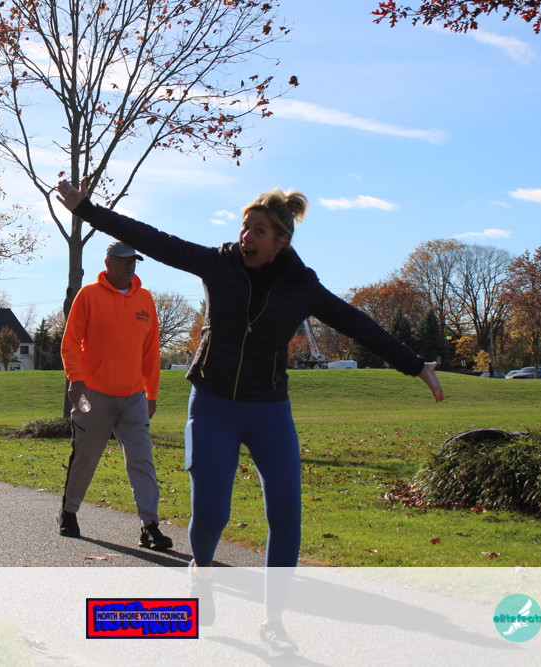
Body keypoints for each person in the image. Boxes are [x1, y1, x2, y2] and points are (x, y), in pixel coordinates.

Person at [57, 178, 443, 654]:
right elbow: (156, 241)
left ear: (281, 240)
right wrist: (87, 208)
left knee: (286, 512)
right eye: (244, 228)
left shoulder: (301, 286)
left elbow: (356, 322)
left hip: (268, 409)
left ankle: (273, 620)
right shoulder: (219, 264)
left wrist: (414, 364)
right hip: (213, 404)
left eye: (259, 231)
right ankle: (201, 574)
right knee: (211, 514)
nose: (247, 238)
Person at [58, 240, 173, 551]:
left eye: (133, 261)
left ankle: (150, 526)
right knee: (85, 457)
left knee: (142, 461)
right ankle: (69, 512)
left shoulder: (145, 299)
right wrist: (76, 379)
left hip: (133, 397)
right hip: (94, 395)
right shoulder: (89, 295)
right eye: (123, 260)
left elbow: (150, 351)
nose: (129, 265)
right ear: (108, 262)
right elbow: (71, 343)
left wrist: (151, 393)